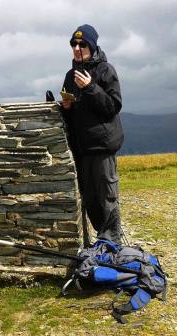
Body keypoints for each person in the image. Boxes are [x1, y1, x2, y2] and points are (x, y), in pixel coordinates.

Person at [61, 24, 124, 243]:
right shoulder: (71, 75)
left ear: (92, 46)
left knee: (106, 197)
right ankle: (102, 240)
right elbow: (74, 115)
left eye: (82, 44)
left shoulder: (106, 71)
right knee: (89, 199)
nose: (77, 48)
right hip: (82, 147)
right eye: (74, 44)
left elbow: (112, 107)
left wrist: (90, 88)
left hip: (102, 146)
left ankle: (112, 244)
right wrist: (66, 108)